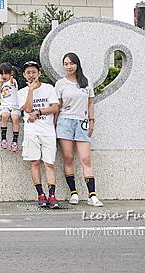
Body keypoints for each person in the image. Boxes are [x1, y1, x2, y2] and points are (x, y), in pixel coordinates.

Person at [55, 52, 103, 207]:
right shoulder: (60, 84)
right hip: (65, 123)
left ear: (77, 64)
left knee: (85, 159)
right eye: (66, 64)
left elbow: (90, 103)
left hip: (82, 123)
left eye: (72, 63)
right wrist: (54, 125)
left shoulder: (86, 81)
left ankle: (92, 195)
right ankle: (73, 193)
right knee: (68, 158)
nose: (69, 66)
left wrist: (92, 121)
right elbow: (58, 106)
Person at [17, 61, 60, 208]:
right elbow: (27, 109)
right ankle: (40, 194)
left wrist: (39, 112)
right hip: (31, 131)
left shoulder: (49, 88)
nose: (31, 75)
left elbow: (55, 107)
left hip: (48, 131)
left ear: (39, 73)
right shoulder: (21, 92)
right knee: (35, 162)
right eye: (28, 73)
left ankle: (52, 195)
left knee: (49, 163)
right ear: (24, 75)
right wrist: (31, 90)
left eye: (33, 72)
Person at [0, 62, 21, 152]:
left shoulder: (13, 81)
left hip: (15, 107)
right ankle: (3, 138)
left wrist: (12, 79)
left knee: (15, 118)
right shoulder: (0, 84)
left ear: (11, 73)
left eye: (6, 73)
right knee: (5, 115)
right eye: (1, 73)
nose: (4, 76)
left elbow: (13, 83)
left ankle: (15, 141)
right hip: (5, 106)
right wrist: (0, 84)